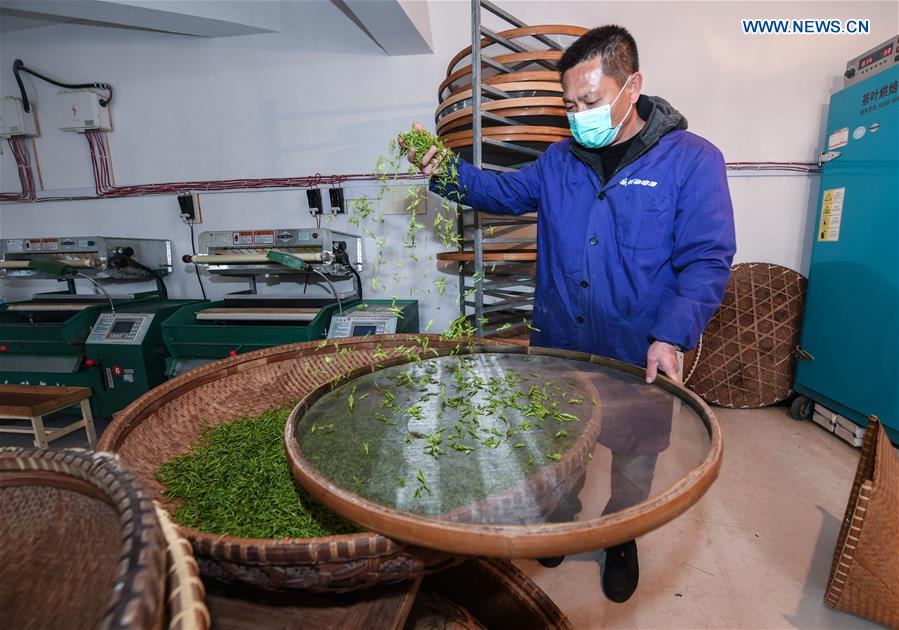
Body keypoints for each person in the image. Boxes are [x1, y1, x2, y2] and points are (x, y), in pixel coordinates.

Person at [406, 25, 735, 603]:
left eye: (589, 100)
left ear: (632, 86)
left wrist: (671, 335)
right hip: (559, 345)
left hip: (638, 352)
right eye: (570, 104)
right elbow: (497, 193)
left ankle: (620, 539)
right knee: (560, 446)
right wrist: (440, 168)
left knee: (633, 462)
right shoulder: (559, 161)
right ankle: (560, 517)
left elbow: (707, 259)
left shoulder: (692, 160)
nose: (578, 114)